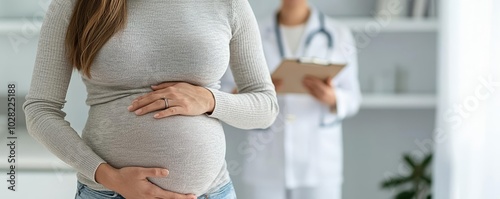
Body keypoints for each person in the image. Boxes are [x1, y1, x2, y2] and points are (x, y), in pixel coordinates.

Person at [22, 0, 278, 198]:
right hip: (108, 193)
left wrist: (210, 100)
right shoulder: (75, 5)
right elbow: (40, 109)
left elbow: (266, 106)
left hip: (211, 193)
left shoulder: (228, 3)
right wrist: (108, 176)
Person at [221, 0, 361, 198]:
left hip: (319, 163)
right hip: (266, 163)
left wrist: (332, 97)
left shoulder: (338, 34)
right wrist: (255, 92)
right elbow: (225, 93)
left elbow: (353, 97)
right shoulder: (252, 31)